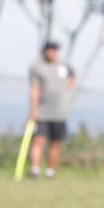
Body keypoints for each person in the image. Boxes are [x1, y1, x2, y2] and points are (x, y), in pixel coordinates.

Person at [28, 41, 76, 179]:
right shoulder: (37, 67)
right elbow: (35, 89)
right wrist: (33, 109)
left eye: (54, 50)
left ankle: (50, 172)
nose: (52, 53)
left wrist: (66, 89)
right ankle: (35, 170)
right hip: (42, 111)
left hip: (59, 112)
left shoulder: (63, 66)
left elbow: (73, 76)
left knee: (56, 142)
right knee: (38, 140)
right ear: (44, 51)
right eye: (49, 50)